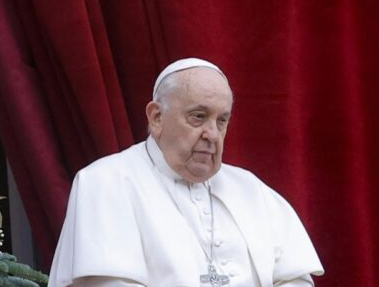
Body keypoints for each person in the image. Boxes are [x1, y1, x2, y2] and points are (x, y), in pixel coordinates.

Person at [49, 58, 324, 287]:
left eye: (222, 120)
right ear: (156, 117)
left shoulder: (251, 189)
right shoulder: (105, 183)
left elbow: (295, 279)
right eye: (198, 117)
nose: (212, 134)